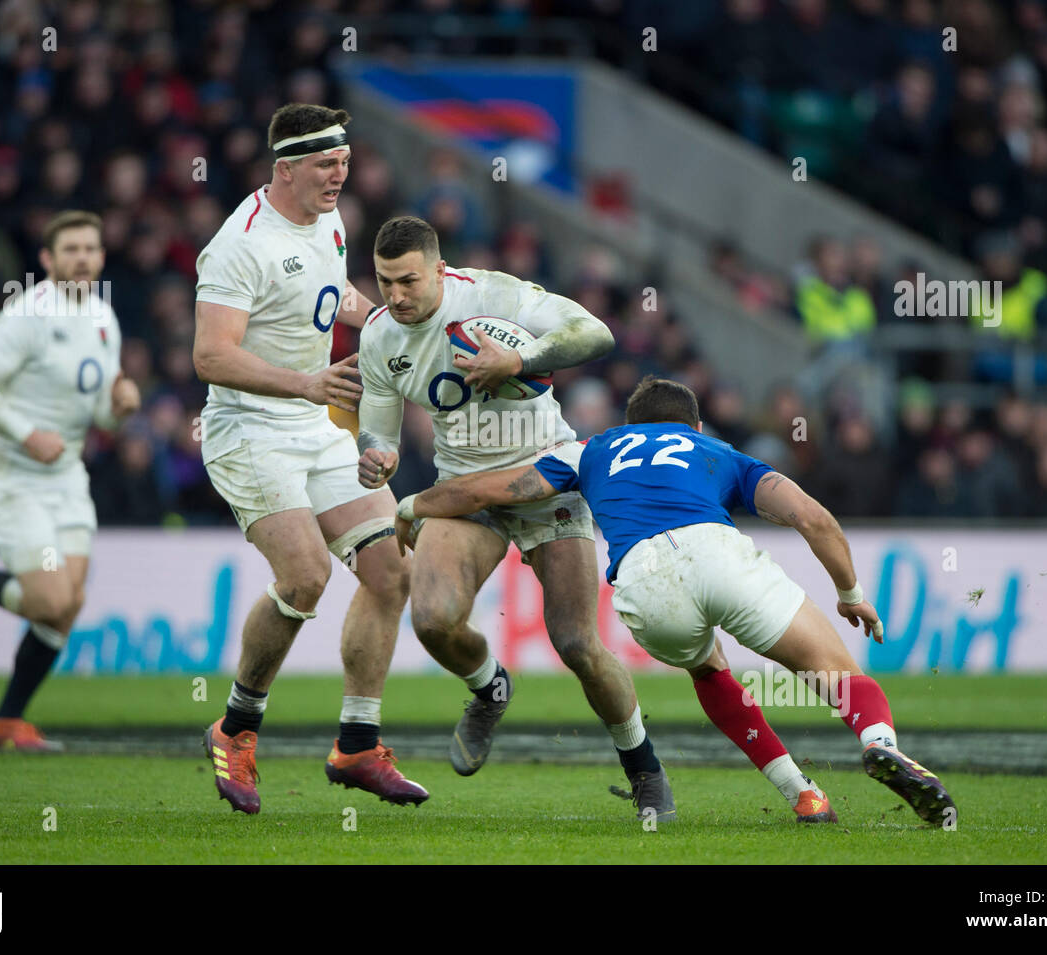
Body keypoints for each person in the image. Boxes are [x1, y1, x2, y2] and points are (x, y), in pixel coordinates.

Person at [395, 376, 958, 826]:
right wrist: (850, 594)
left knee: (709, 667)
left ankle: (803, 794)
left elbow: (489, 488)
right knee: (832, 672)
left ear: (630, 425)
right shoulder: (717, 451)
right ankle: (879, 743)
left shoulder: (591, 449)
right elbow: (813, 518)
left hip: (645, 583)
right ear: (694, 425)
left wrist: (414, 505)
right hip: (718, 555)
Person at [356, 215, 675, 823]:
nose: (395, 296)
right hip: (465, 491)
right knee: (431, 619)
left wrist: (520, 358)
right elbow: (379, 425)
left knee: (578, 643)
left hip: (546, 477)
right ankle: (488, 687)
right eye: (384, 282)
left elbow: (595, 334)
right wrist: (377, 454)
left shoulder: (495, 294)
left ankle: (645, 771)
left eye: (407, 282)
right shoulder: (378, 336)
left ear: (439, 269)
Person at [190, 104, 425, 814]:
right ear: (284, 168)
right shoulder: (240, 244)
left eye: (345, 161)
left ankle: (356, 743)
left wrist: (387, 317)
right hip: (248, 429)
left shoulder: (329, 219)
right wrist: (307, 382)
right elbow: (209, 354)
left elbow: (331, 297)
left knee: (391, 569)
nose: (340, 174)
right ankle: (235, 727)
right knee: (306, 574)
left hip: (311, 420)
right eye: (326, 164)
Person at [0, 210, 141, 751]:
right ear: (47, 260)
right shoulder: (30, 312)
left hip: (65, 478)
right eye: (71, 250)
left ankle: (8, 721)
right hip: (14, 477)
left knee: (67, 605)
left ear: (101, 258)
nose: (83, 258)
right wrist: (26, 433)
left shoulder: (104, 316)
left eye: (91, 248)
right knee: (49, 600)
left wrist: (121, 407)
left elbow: (101, 414)